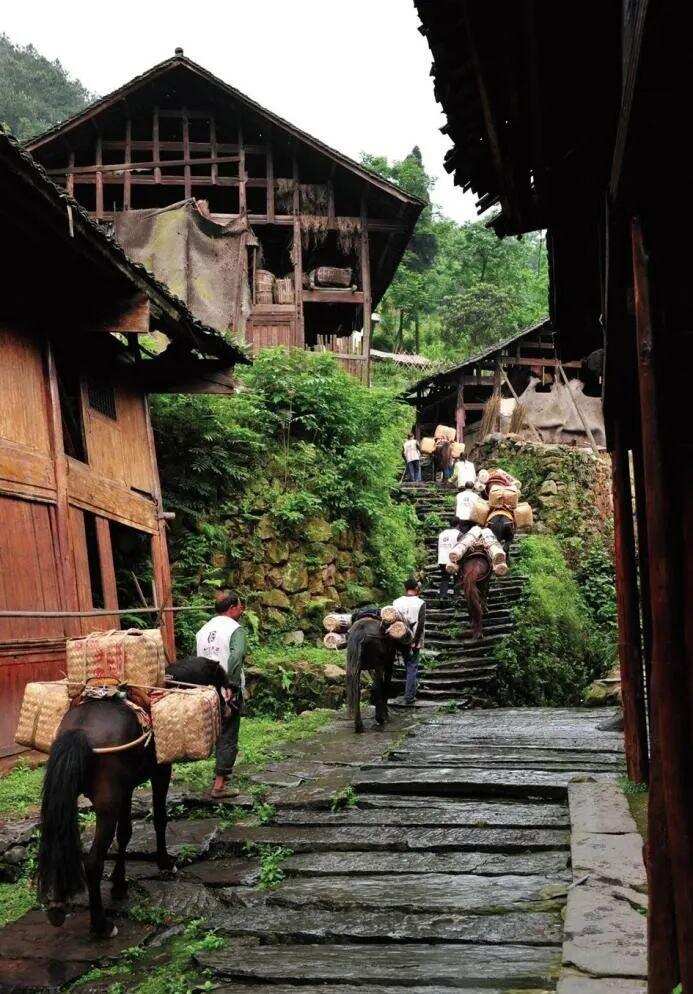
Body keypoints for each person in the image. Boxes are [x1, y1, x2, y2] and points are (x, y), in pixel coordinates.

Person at [195, 590, 247, 799]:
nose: (242, 610)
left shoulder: (203, 630)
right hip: (226, 687)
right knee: (228, 732)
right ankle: (219, 785)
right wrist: (232, 685)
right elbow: (236, 657)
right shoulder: (235, 629)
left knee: (217, 730)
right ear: (232, 607)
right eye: (240, 606)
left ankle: (220, 774)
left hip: (206, 689)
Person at [393, 577, 426, 706]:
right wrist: (415, 642)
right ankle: (409, 697)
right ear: (417, 588)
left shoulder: (396, 602)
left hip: (398, 638)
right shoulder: (420, 603)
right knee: (412, 666)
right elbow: (420, 624)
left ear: (405, 588)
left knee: (406, 664)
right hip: (413, 640)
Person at [437, 522, 461, 598]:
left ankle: (442, 595)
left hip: (442, 559)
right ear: (458, 525)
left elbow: (438, 547)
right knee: (457, 578)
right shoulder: (458, 533)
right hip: (453, 559)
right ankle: (456, 596)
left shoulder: (442, 533)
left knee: (444, 578)